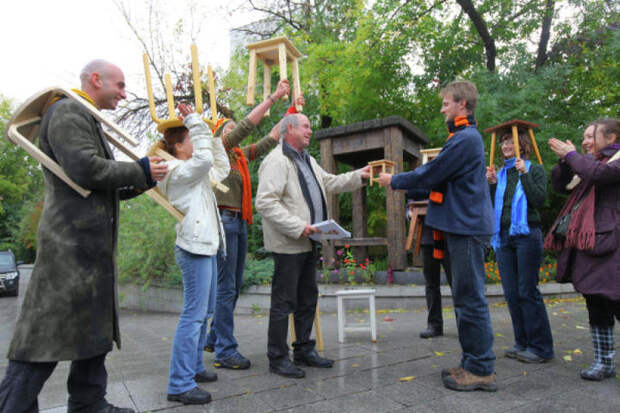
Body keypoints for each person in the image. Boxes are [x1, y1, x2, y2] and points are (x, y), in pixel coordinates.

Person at [0, 60, 168, 413]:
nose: (124, 94)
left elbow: (101, 188)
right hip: (69, 250)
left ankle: (89, 403)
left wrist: (145, 179)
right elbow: (85, 169)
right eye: (120, 86)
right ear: (96, 79)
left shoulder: (83, 116)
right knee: (43, 337)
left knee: (94, 330)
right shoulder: (66, 112)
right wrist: (138, 169)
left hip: (87, 251)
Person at [378, 80, 496, 392]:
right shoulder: (463, 137)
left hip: (467, 229)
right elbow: (436, 179)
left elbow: (432, 173)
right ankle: (472, 363)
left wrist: (395, 180)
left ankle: (482, 368)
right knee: (465, 299)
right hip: (463, 227)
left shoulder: (466, 139)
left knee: (471, 301)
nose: (442, 107)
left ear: (463, 105)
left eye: (446, 103)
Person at [255, 114, 370, 378]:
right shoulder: (276, 161)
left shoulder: (308, 160)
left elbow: (329, 182)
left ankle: (304, 350)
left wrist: (359, 175)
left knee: (308, 298)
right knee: (284, 301)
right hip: (289, 242)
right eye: (306, 126)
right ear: (290, 129)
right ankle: (277, 358)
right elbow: (265, 202)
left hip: (310, 241)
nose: (310, 130)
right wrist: (298, 226)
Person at [204, 80, 299, 371]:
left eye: (234, 128)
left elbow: (270, 138)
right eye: (229, 128)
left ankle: (214, 337)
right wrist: (273, 97)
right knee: (226, 287)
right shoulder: (217, 151)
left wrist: (293, 114)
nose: (234, 130)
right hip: (224, 222)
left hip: (239, 223)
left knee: (232, 286)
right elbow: (249, 126)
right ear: (220, 135)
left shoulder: (240, 157)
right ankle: (225, 351)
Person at [150, 102, 229, 404]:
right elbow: (205, 162)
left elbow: (219, 168)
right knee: (193, 316)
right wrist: (198, 124)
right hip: (193, 248)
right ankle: (180, 383)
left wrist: (216, 137)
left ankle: (194, 368)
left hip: (205, 247)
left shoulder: (193, 171)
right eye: (193, 140)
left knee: (204, 313)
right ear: (180, 148)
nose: (198, 144)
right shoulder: (174, 169)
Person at [546, 119, 620, 381]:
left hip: (613, 246)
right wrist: (566, 161)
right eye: (584, 136)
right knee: (595, 303)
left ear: (611, 138)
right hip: (589, 244)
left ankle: (605, 361)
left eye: (591, 136)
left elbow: (599, 175)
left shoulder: (614, 161)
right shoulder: (587, 163)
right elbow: (560, 185)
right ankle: (604, 362)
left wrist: (573, 155)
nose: (586, 141)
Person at [486, 131, 554, 363]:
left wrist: (524, 174)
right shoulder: (502, 173)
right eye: (503, 142)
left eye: (510, 142)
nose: (505, 146)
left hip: (527, 235)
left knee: (527, 291)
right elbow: (495, 205)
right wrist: (493, 185)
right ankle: (522, 342)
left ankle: (541, 348)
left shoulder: (534, 169)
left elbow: (538, 201)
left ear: (522, 145)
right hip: (503, 237)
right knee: (512, 293)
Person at [406, 189, 452, 339]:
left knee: (457, 282)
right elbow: (410, 204)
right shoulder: (421, 176)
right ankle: (434, 325)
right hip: (427, 236)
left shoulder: (448, 172)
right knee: (431, 284)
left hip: (449, 236)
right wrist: (411, 214)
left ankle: (464, 324)